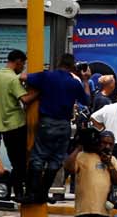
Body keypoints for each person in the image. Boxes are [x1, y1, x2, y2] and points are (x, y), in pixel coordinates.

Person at [23, 53, 88, 203]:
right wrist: (84, 79)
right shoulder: (74, 82)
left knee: (38, 156)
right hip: (64, 125)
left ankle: (33, 193)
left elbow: (24, 78)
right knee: (56, 159)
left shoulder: (47, 76)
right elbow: (86, 100)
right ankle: (43, 193)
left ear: (59, 62)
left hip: (47, 122)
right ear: (72, 66)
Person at [0, 49, 29, 200]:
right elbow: (25, 99)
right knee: (21, 162)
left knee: (15, 161)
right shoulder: (13, 79)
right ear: (18, 61)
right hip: (17, 123)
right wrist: (39, 92)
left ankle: (17, 191)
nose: (23, 67)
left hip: (4, 127)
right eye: (23, 64)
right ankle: (19, 192)